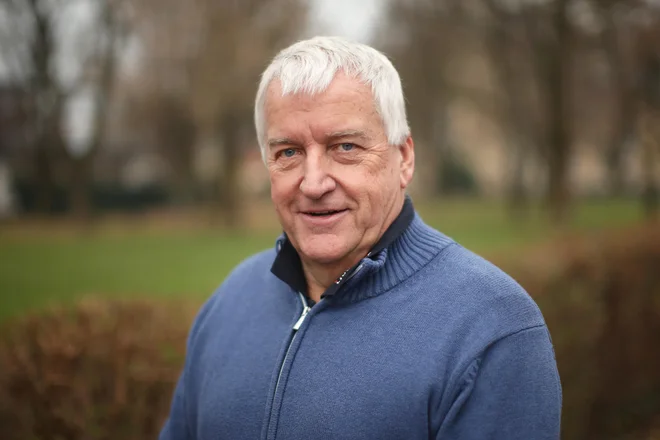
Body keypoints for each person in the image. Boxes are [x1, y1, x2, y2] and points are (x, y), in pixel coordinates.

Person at [159, 36, 562, 440]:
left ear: (403, 158)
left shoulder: (491, 327)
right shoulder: (231, 301)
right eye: (288, 152)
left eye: (345, 146)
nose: (313, 183)